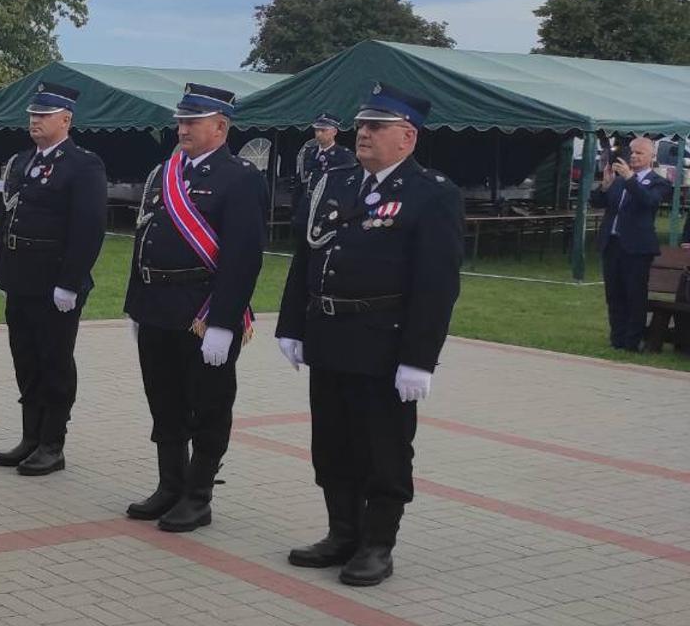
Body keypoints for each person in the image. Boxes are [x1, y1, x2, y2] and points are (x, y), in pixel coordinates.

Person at [276, 81, 462, 587]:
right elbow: (306, 256)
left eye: (376, 126)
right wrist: (292, 324)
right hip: (330, 335)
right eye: (361, 124)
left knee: (383, 448)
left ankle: (378, 544)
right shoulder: (334, 182)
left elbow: (437, 285)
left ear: (408, 137)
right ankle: (342, 532)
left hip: (384, 341)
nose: (363, 133)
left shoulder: (431, 193)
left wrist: (419, 358)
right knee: (331, 444)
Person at [123, 83, 267, 532]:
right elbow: (143, 240)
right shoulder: (163, 173)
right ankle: (170, 484)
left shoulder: (241, 178)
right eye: (181, 121)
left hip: (201, 313)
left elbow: (244, 257)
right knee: (164, 402)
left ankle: (198, 494)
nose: (182, 128)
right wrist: (136, 304)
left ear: (220, 126)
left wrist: (223, 322)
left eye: (193, 121)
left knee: (207, 405)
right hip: (157, 307)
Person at [0, 82, 107, 477]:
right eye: (32, 115)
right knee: (25, 357)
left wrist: (70, 282)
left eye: (44, 115)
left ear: (66, 119)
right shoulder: (23, 161)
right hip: (21, 277)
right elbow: (9, 218)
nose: (35, 121)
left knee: (55, 360)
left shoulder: (83, 164)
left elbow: (88, 228)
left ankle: (53, 443)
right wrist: (0, 269)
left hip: (55, 282)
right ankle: (30, 436)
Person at [593, 136, 666, 351]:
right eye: (632, 152)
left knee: (634, 295)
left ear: (651, 157)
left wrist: (630, 178)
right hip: (612, 243)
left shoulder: (658, 182)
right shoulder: (618, 180)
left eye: (639, 153)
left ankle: (632, 341)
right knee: (614, 294)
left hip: (637, 248)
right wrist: (605, 187)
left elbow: (649, 201)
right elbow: (598, 202)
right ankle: (617, 339)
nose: (633, 156)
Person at [297, 114, 357, 200]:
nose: (318, 134)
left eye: (323, 130)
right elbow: (300, 183)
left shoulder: (344, 155)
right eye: (316, 130)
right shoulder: (309, 152)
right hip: (308, 201)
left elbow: (349, 184)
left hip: (331, 202)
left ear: (334, 132)